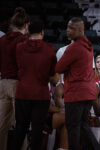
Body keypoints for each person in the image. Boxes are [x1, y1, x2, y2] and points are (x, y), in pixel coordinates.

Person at [55, 17, 100, 150]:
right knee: (83, 125)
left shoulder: (73, 48)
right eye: (68, 27)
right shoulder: (88, 45)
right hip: (88, 92)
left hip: (76, 92)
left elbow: (58, 68)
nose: (67, 31)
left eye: (72, 28)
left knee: (73, 127)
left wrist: (68, 66)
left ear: (81, 30)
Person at [12, 20, 57, 150]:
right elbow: (52, 73)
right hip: (41, 94)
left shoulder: (19, 47)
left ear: (28, 32)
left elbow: (17, 66)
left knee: (20, 129)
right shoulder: (49, 48)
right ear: (42, 33)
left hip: (22, 92)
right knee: (37, 130)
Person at [0, 7, 29, 150]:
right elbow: (25, 64)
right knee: (21, 124)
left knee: (1, 125)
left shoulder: (3, 39)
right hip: (18, 84)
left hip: (3, 83)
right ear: (26, 25)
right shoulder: (24, 40)